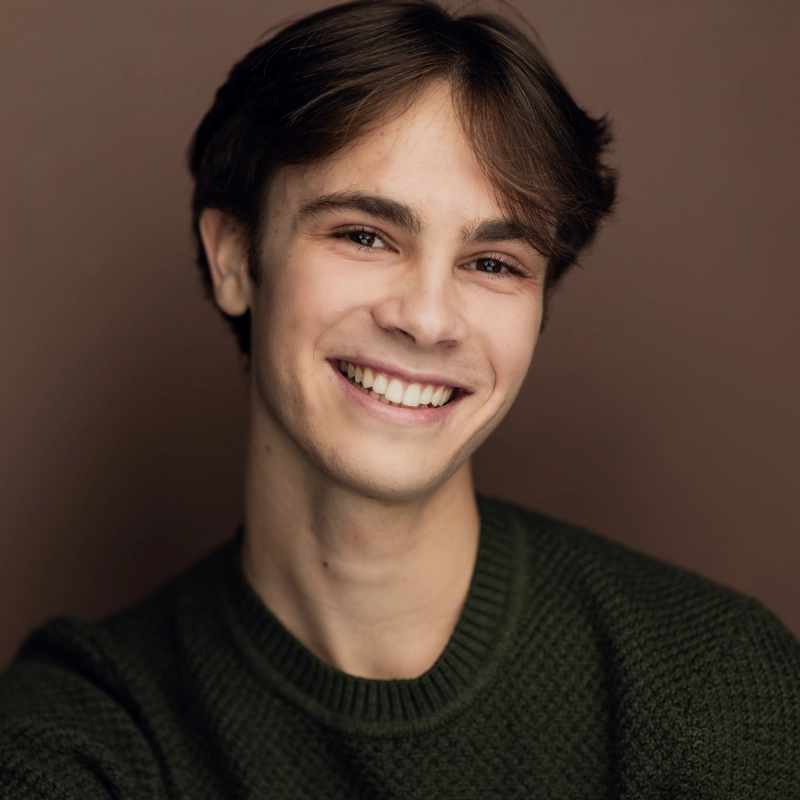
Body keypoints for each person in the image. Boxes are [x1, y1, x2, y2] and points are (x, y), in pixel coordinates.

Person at [1, 0, 799, 796]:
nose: (426, 318)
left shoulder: (715, 683)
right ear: (236, 259)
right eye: (364, 235)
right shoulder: (90, 727)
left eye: (493, 263)